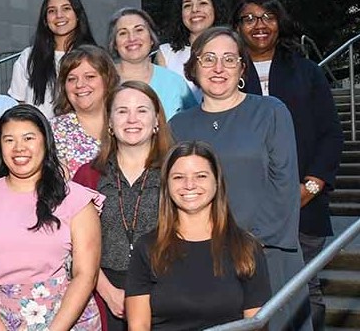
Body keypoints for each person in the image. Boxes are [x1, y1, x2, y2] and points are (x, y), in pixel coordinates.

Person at [169, 27, 309, 331]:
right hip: (204, 261)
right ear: (193, 67)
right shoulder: (178, 125)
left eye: (229, 59)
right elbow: (176, 194)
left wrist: (244, 247)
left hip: (268, 255)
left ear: (242, 68)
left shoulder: (271, 112)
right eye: (208, 59)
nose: (218, 68)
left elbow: (284, 188)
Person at [235, 0, 342, 329]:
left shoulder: (307, 72)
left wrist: (310, 186)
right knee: (251, 296)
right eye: (249, 18)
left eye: (267, 16)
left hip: (304, 205)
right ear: (238, 27)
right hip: (247, 212)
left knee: (304, 290)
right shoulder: (227, 75)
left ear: (280, 23)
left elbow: (330, 134)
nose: (259, 24)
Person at [0, 105, 103, 331]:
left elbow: (86, 274)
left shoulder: (77, 199)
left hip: (66, 319)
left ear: (45, 142)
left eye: (28, 138)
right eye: (9, 140)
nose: (19, 148)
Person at [125, 141, 271, 330]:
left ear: (217, 181)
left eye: (201, 176)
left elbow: (256, 325)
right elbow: (139, 326)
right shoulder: (147, 248)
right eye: (178, 177)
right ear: (166, 185)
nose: (189, 185)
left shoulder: (246, 248)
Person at [90, 82, 174, 331]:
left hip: (167, 290)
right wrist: (108, 292)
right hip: (105, 293)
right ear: (110, 123)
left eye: (142, 110)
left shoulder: (177, 171)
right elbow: (76, 245)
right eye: (122, 111)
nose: (132, 119)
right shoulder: (88, 176)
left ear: (157, 120)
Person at [8, 0, 97, 119]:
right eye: (52, 11)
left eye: (66, 8)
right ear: (45, 19)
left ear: (77, 15)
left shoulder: (94, 57)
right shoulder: (29, 57)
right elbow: (18, 103)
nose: (59, 15)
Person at [107, 8, 197, 119]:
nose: (132, 38)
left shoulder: (174, 82)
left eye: (139, 30)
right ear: (115, 43)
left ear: (151, 39)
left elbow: (195, 122)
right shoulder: (103, 81)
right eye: (123, 33)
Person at [51, 45, 120, 178]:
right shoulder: (54, 130)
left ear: (107, 80)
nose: (80, 84)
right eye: (72, 79)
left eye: (89, 77)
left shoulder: (126, 123)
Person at [158, 0, 223, 94]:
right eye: (187, 6)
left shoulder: (232, 49)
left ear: (215, 8)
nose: (195, 10)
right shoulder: (166, 54)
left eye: (203, 3)